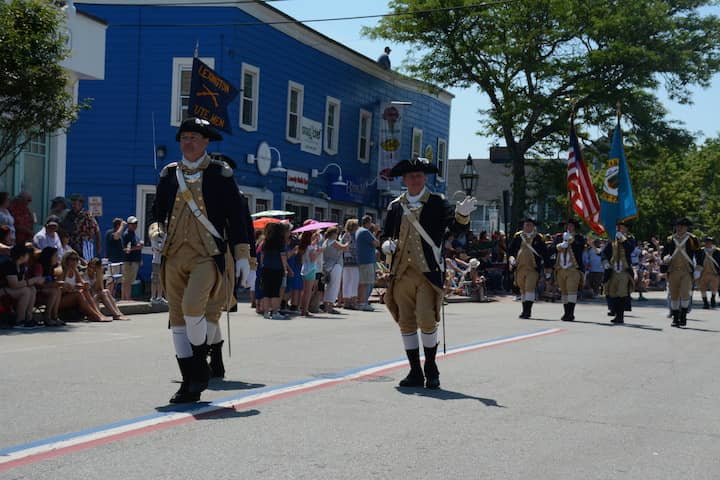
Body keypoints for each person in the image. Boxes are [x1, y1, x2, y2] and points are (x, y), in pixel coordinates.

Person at [149, 117, 256, 404]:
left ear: (206, 141)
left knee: (193, 307)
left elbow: (237, 219)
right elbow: (157, 213)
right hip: (173, 255)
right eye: (184, 137)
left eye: (195, 137)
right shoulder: (169, 174)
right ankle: (190, 380)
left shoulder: (220, 174)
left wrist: (244, 256)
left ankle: (199, 370)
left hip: (207, 254)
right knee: (176, 317)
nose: (188, 142)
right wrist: (155, 231)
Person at [382, 157, 477, 389]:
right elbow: (386, 234)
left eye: (419, 176)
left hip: (428, 272)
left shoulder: (437, 202)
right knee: (406, 322)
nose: (415, 180)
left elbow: (456, 228)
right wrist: (385, 245)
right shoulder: (395, 205)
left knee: (426, 317)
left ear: (425, 178)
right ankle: (414, 370)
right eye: (411, 176)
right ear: (404, 180)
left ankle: (431, 366)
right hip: (401, 273)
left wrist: (462, 215)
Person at [662, 218, 700, 327]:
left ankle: (683, 316)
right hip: (673, 270)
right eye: (678, 226)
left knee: (684, 293)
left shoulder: (692, 239)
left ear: (686, 227)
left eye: (682, 226)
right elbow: (664, 253)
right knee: (673, 294)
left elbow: (698, 254)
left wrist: (698, 269)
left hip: (686, 271)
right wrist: (665, 258)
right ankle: (675, 317)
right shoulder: (670, 239)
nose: (679, 228)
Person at [508, 218, 548, 319]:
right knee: (523, 289)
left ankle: (527, 311)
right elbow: (511, 251)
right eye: (526, 225)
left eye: (530, 225)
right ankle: (524, 310)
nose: (527, 227)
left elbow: (545, 253)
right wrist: (511, 259)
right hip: (520, 267)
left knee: (529, 288)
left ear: (533, 226)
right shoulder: (518, 236)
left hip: (532, 268)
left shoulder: (539, 238)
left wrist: (547, 267)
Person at [58, 250, 111, 322]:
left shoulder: (75, 271)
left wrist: (85, 285)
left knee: (85, 291)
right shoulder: (62, 271)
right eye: (73, 259)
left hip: (72, 295)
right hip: (61, 299)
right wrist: (69, 288)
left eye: (77, 259)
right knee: (78, 294)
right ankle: (95, 315)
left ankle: (98, 314)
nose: (75, 262)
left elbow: (82, 283)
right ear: (66, 260)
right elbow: (58, 288)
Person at [601, 220, 636, 324]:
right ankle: (615, 313)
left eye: (622, 227)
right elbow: (604, 253)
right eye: (619, 227)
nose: (619, 229)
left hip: (624, 271)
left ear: (626, 229)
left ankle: (620, 316)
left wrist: (623, 239)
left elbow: (630, 249)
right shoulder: (612, 240)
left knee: (622, 293)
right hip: (613, 271)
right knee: (612, 292)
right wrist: (605, 261)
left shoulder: (630, 239)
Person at [0, 244, 43, 328]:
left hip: (10, 289)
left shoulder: (21, 266)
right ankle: (20, 320)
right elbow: (14, 284)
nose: (28, 256)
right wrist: (33, 280)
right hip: (2, 289)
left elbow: (22, 282)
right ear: (21, 256)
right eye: (27, 254)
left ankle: (29, 318)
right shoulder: (9, 265)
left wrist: (32, 282)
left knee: (32, 289)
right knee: (25, 291)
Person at [554, 218, 586, 321]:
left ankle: (570, 313)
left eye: (571, 226)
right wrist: (560, 245)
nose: (569, 227)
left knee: (571, 290)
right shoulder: (559, 237)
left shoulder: (579, 238)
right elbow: (551, 249)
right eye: (567, 226)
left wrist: (571, 240)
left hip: (573, 268)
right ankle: (566, 312)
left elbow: (580, 248)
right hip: (561, 268)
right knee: (564, 291)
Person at [260, 222, 290, 320]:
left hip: (266, 268)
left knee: (266, 292)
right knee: (275, 292)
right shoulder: (280, 243)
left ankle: (266, 312)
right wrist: (285, 270)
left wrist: (262, 265)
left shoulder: (265, 242)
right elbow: (283, 257)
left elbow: (262, 256)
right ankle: (275, 312)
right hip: (277, 269)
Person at [31, 246, 64, 326]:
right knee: (54, 291)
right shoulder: (39, 266)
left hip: (46, 289)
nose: (57, 257)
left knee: (57, 290)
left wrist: (57, 284)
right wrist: (54, 284)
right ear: (49, 257)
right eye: (55, 255)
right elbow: (38, 284)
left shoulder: (51, 268)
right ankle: (47, 316)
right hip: (36, 291)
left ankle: (55, 316)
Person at [64, 194, 101, 259]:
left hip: (84, 248)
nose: (73, 205)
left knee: (86, 266)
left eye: (75, 203)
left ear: (81, 204)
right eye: (72, 202)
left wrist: (98, 250)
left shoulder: (88, 216)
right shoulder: (68, 216)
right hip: (71, 248)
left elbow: (97, 232)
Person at [322, 226, 349, 314]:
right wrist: (347, 241)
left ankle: (326, 305)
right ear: (333, 234)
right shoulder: (333, 242)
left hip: (327, 266)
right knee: (334, 286)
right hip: (335, 266)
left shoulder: (325, 241)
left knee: (329, 286)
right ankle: (330, 307)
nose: (337, 235)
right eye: (336, 233)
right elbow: (345, 248)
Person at [356, 215, 379, 312]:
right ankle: (363, 303)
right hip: (367, 260)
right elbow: (376, 243)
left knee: (363, 282)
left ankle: (361, 302)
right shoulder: (365, 231)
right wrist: (376, 232)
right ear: (368, 223)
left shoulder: (359, 231)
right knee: (365, 283)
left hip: (362, 259)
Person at [298, 230, 321, 317]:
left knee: (304, 291)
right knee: (308, 292)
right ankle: (305, 310)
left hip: (304, 269)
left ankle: (302, 309)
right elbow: (312, 259)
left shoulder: (304, 247)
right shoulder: (310, 248)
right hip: (310, 270)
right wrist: (318, 252)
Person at [121, 216, 143, 301]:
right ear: (129, 224)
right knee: (127, 281)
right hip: (129, 261)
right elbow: (125, 249)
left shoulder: (134, 234)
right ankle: (127, 299)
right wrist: (137, 247)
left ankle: (125, 298)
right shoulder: (126, 235)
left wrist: (140, 259)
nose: (135, 225)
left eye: (136, 223)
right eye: (133, 224)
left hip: (135, 260)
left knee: (129, 281)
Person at [341, 218, 360, 310]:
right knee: (354, 282)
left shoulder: (344, 235)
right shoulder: (356, 236)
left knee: (346, 282)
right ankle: (353, 302)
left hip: (345, 261)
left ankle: (346, 302)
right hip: (355, 261)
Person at [696, 236, 720, 309]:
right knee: (702, 288)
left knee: (714, 288)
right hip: (703, 272)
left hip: (714, 273)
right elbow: (698, 260)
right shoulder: (701, 250)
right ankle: (705, 302)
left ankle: (713, 299)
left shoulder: (717, 251)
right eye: (707, 241)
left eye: (710, 241)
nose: (708, 243)